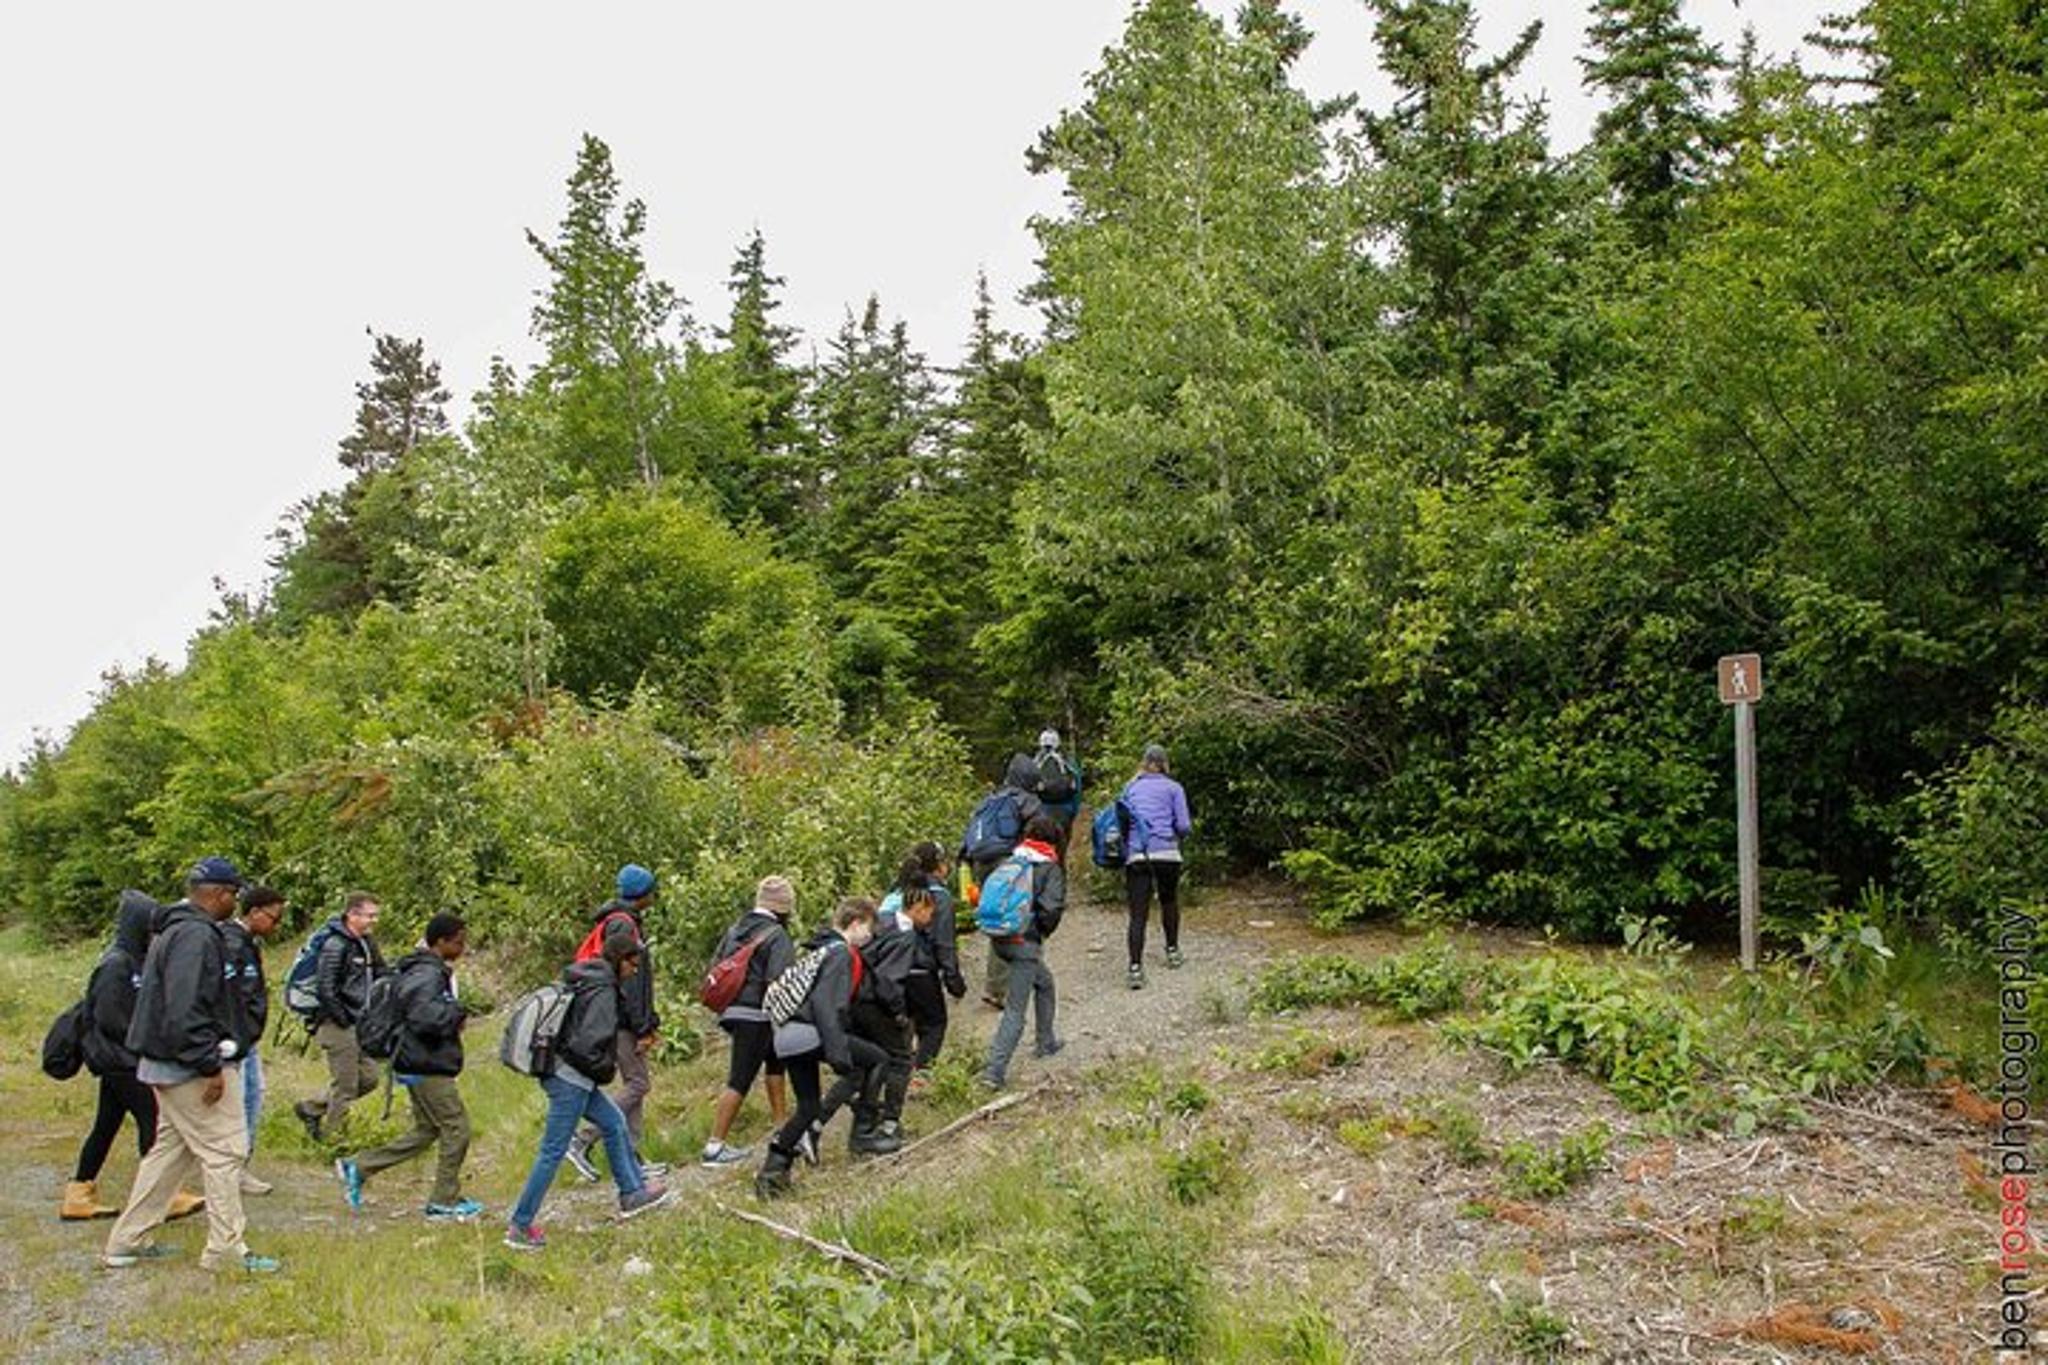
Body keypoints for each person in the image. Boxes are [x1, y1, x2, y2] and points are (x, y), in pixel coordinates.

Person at [102, 857, 279, 1274]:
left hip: (166, 1061)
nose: (235, 902)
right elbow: (185, 1009)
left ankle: (126, 1241)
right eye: (234, 894)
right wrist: (209, 1065)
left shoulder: (175, 930)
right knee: (225, 1151)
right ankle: (226, 1251)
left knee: (170, 1155)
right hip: (188, 1065)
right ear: (219, 894)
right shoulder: (195, 936)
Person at [505, 935, 674, 1250]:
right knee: (552, 1151)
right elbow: (588, 1044)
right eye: (633, 965)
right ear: (620, 959)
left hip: (566, 1072)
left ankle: (632, 1193)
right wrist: (605, 1070)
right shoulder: (603, 990)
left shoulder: (588, 978)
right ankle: (520, 1225)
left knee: (613, 1123)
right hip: (571, 1078)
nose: (634, 971)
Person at [64, 891, 204, 1225]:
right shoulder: (116, 964)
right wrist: (146, 1040)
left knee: (105, 1125)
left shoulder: (135, 959)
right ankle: (162, 1196)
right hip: (120, 1059)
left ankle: (78, 1193)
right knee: (152, 1120)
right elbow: (111, 1017)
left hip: (124, 1058)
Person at [336, 913, 481, 1221]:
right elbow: (423, 1017)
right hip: (427, 1064)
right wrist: (456, 1014)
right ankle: (443, 1201)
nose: (463, 947)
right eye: (458, 941)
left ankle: (360, 1166)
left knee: (427, 1130)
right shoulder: (428, 975)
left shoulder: (420, 969)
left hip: (415, 1060)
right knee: (457, 1129)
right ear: (441, 941)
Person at [754, 897, 878, 1199]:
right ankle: (864, 1135)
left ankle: (772, 1172)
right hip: (810, 1032)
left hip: (786, 1036)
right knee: (877, 1060)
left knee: (808, 1106)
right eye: (870, 929)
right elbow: (826, 1005)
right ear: (857, 922)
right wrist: (837, 1053)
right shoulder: (841, 954)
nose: (871, 936)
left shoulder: (819, 949)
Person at [566, 864, 663, 1182]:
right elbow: (630, 982)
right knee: (638, 1084)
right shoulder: (623, 926)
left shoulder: (619, 920)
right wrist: (643, 1026)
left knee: (635, 1082)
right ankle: (582, 1138)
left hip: (621, 1016)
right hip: (622, 1019)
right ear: (644, 893)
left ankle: (633, 1157)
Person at [813, 883, 919, 1156]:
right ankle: (884, 1125)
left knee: (860, 1069)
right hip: (868, 1006)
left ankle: (815, 1123)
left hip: (848, 1010)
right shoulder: (898, 937)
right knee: (899, 1058)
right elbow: (886, 982)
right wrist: (898, 1013)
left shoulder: (829, 943)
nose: (871, 934)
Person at [700, 876, 798, 1168]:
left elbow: (716, 966)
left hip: (733, 1010)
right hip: (758, 1014)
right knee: (740, 1079)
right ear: (785, 908)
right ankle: (714, 1146)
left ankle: (782, 1129)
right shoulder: (777, 935)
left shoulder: (735, 930)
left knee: (775, 1062)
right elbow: (778, 982)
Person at [980, 815, 1068, 1091]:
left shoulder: (1012, 860)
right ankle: (994, 1072)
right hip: (1024, 943)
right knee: (1015, 1010)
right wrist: (1039, 932)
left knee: (1045, 983)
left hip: (999, 938)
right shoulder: (1048, 867)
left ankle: (1046, 1041)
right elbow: (1051, 908)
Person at [294, 892, 387, 1142]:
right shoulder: (335, 945)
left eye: (375, 915)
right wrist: (344, 1018)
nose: (374, 921)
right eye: (369, 915)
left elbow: (382, 973)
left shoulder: (367, 943)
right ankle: (334, 1140)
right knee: (345, 1085)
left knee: (369, 1078)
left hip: (360, 1022)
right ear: (352, 914)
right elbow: (326, 988)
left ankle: (311, 1107)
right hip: (336, 1024)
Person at [960, 753, 1046, 1010]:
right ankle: (1001, 988)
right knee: (1013, 920)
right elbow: (1037, 837)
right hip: (1007, 863)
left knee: (997, 918)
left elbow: (968, 840)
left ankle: (1001, 984)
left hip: (980, 863)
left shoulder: (989, 800)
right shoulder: (1028, 801)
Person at [224, 884, 284, 1194]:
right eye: (274, 918)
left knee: (254, 1095)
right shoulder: (232, 944)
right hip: (237, 1040)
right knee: (244, 1101)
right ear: (255, 912)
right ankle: (234, 1170)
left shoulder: (249, 943)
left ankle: (239, 1167)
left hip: (249, 1039)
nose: (277, 925)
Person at [891, 843, 965, 1085]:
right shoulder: (938, 897)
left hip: (892, 967)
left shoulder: (898, 890)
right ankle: (921, 1076)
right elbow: (944, 942)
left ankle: (898, 1073)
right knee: (934, 1024)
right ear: (939, 866)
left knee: (906, 1021)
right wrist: (953, 978)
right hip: (921, 968)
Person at [1122, 743, 1193, 989]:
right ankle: (1172, 951)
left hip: (1138, 855)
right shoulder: (1174, 788)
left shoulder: (1130, 788)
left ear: (1144, 762)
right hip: (1167, 853)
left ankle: (1135, 968)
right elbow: (1184, 826)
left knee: (1138, 913)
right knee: (1169, 901)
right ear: (1164, 764)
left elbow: (1122, 821)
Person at [1033, 729, 1083, 835]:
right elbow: (1077, 788)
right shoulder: (1068, 761)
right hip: (1065, 809)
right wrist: (1074, 811)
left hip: (1041, 809)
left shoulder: (1035, 762)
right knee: (1062, 841)